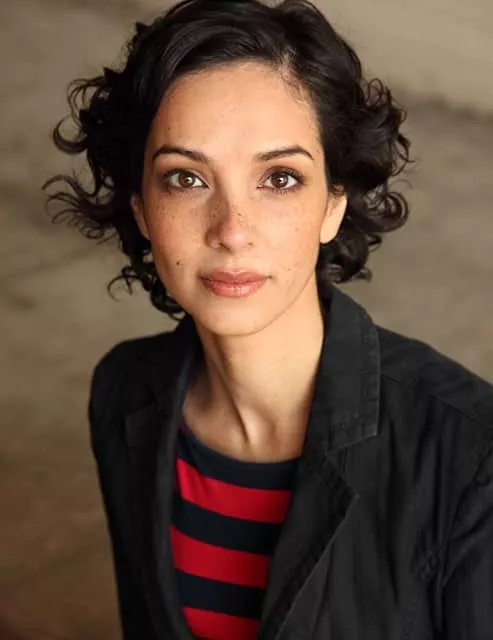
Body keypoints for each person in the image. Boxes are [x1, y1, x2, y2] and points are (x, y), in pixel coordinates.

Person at [44, 0, 493, 638]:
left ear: (334, 203)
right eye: (186, 179)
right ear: (140, 207)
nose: (232, 230)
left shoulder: (472, 458)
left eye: (279, 179)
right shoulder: (124, 393)